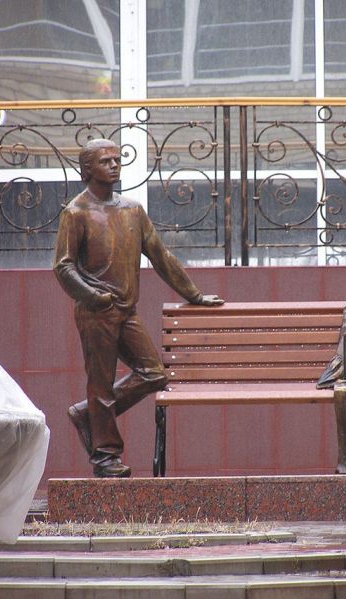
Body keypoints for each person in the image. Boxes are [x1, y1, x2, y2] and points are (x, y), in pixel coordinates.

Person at [54, 138, 224, 478]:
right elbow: (63, 267)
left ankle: (88, 415)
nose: (115, 165)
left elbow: (161, 257)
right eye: (105, 161)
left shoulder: (132, 210)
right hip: (96, 312)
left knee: (154, 374)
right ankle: (105, 455)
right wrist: (91, 296)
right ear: (87, 170)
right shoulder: (76, 213)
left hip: (126, 312)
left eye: (117, 159)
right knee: (100, 384)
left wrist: (194, 295)